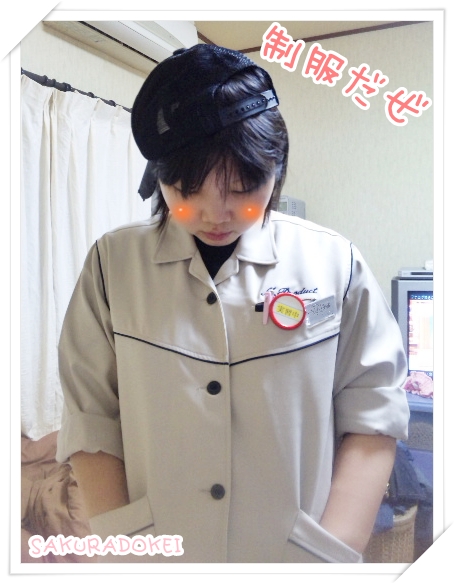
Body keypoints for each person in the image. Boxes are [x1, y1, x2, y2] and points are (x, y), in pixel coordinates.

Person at [56, 43, 410, 563]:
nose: (215, 213)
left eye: (244, 188)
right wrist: (123, 552)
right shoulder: (113, 265)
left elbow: (373, 408)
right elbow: (91, 417)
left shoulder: (336, 262)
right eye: (187, 189)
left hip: (292, 559)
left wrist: (331, 555)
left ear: (276, 170)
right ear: (160, 177)